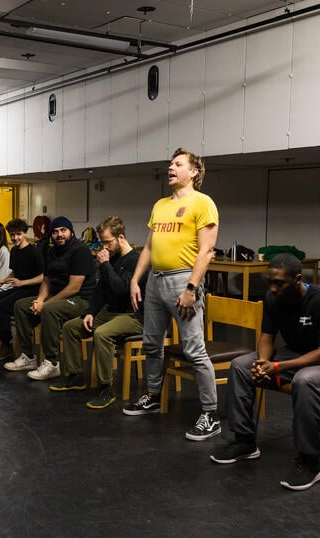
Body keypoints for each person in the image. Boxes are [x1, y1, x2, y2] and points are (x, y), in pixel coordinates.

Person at [210, 254, 320, 491]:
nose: (273, 289)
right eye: (270, 283)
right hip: (293, 355)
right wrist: (263, 362)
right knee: (240, 366)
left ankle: (310, 462)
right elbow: (267, 336)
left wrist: (277, 367)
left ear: (297, 279)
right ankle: (245, 442)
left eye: (280, 283)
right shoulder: (272, 298)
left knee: (305, 380)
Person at [122, 148, 220, 442]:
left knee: (194, 350)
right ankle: (152, 395)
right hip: (155, 281)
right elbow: (149, 248)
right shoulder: (160, 205)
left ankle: (210, 414)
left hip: (182, 281)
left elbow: (206, 251)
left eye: (178, 164)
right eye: (170, 164)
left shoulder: (203, 203)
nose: (171, 168)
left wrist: (191, 288)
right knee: (152, 343)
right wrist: (135, 281)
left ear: (194, 172)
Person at [50, 216, 146, 409]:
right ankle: (76, 376)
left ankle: (105, 388)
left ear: (121, 237)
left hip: (133, 316)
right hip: (110, 312)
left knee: (102, 334)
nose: (104, 247)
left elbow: (121, 289)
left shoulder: (136, 260)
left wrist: (105, 265)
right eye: (102, 242)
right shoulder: (111, 258)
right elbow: (101, 291)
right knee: (71, 327)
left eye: (107, 242)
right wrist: (90, 312)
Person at [4, 216, 96, 380]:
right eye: (55, 232)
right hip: (58, 296)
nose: (59, 234)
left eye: (63, 231)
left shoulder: (80, 251)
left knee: (49, 309)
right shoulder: (51, 251)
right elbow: (46, 279)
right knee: (21, 305)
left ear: (71, 232)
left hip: (80, 300)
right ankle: (28, 357)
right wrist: (40, 299)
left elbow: (73, 287)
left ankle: (52, 363)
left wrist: (46, 304)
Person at [0, 219, 44, 360]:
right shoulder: (15, 251)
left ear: (25, 233)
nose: (15, 238)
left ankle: (6, 345)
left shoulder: (34, 252)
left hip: (31, 290)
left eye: (18, 234)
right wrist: (5, 279)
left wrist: (22, 282)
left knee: (1, 306)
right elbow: (14, 272)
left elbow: (43, 277)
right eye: (12, 234)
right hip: (17, 287)